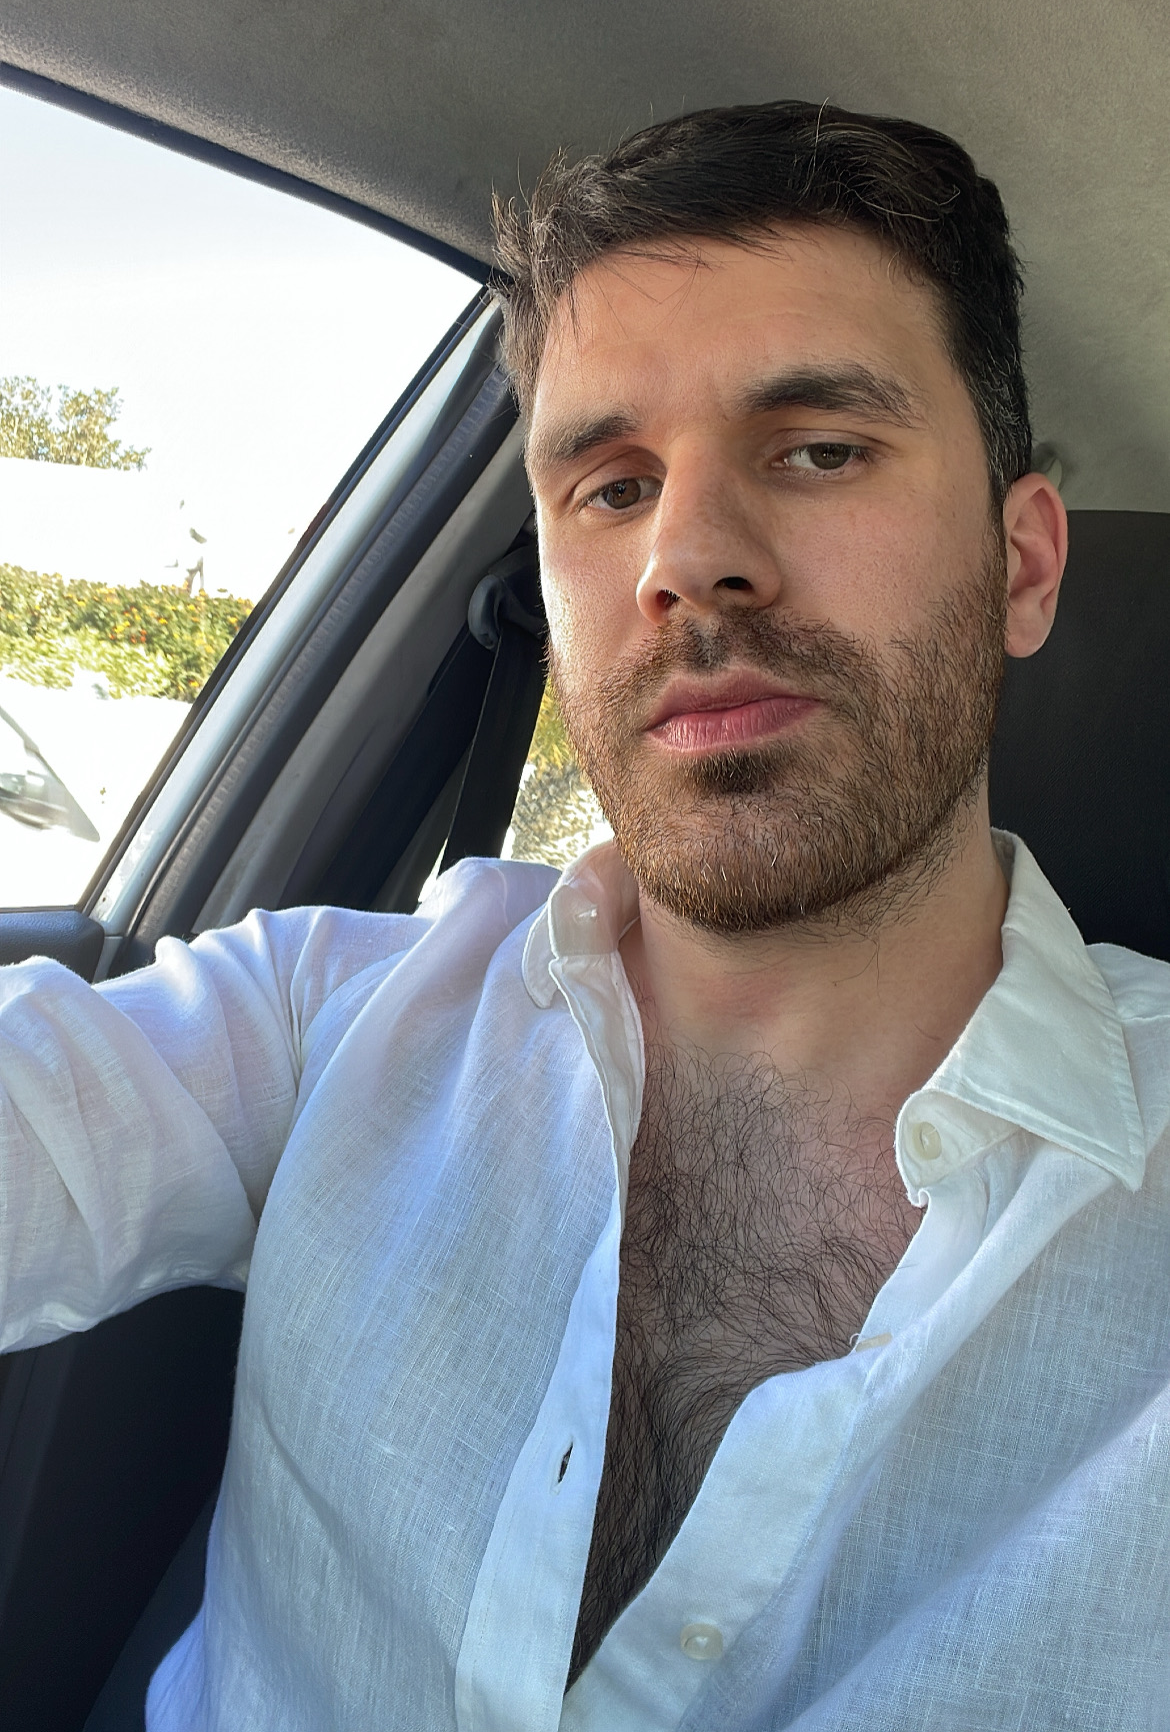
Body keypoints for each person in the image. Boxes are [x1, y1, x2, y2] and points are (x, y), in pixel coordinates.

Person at [1, 102, 1166, 1731]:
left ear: (1024, 565)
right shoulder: (327, 1016)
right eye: (610, 487)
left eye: (818, 449)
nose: (686, 560)